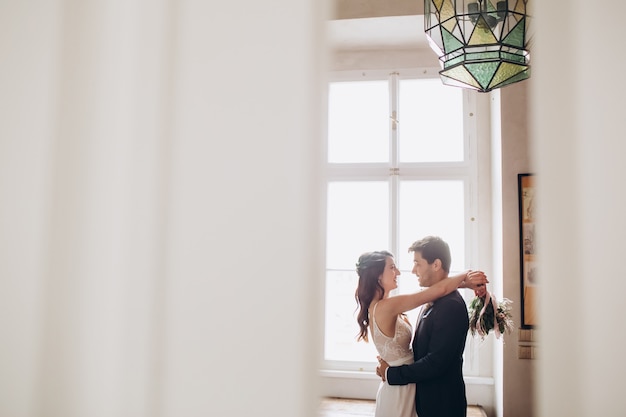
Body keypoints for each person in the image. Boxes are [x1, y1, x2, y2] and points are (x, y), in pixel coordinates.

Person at [355, 248, 487, 417]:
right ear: (377, 275)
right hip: (399, 388)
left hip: (408, 385)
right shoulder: (386, 307)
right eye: (392, 267)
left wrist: (464, 283)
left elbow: (435, 292)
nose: (399, 272)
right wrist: (465, 276)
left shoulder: (387, 304)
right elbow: (436, 291)